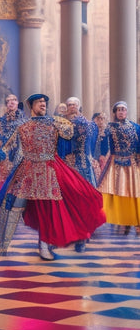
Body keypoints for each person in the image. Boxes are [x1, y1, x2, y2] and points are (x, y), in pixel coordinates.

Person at [0, 93, 106, 260]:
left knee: (49, 208)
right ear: (31, 106)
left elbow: (70, 136)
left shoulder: (56, 122)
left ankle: (45, 244)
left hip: (49, 168)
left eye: (44, 102)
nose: (43, 104)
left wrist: (72, 118)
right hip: (27, 168)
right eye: (39, 102)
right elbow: (11, 148)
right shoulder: (22, 126)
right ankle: (3, 245)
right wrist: (4, 158)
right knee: (12, 204)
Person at [97, 101, 140, 235]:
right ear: (115, 112)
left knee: (134, 193)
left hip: (132, 164)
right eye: (118, 110)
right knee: (117, 193)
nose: (121, 112)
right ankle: (122, 220)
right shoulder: (109, 128)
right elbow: (103, 144)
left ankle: (136, 221)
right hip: (116, 164)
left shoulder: (135, 127)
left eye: (123, 110)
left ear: (126, 112)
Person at [0, 94, 26, 191]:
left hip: (22, 159)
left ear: (17, 103)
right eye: (8, 101)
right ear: (6, 105)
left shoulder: (25, 122)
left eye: (14, 100)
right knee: (6, 188)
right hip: (6, 161)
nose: (11, 102)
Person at [57, 97, 98, 186]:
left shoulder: (87, 123)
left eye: (74, 105)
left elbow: (91, 140)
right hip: (67, 160)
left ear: (78, 106)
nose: (72, 107)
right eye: (69, 105)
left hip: (83, 160)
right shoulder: (62, 123)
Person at [91, 112, 109, 182]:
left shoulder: (106, 131)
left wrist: (103, 155)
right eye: (98, 119)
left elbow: (107, 145)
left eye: (102, 119)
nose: (101, 121)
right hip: (92, 156)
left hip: (103, 157)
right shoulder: (91, 130)